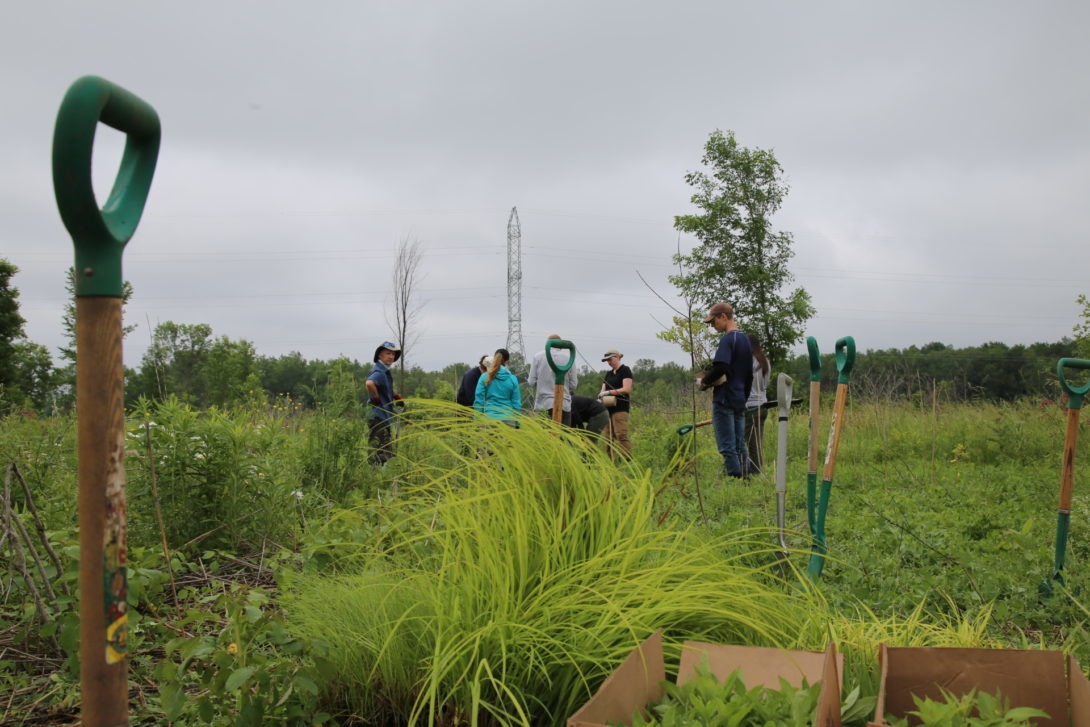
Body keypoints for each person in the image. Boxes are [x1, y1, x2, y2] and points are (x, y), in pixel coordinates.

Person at [699, 303, 752, 478]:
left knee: (726, 445)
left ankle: (734, 480)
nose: (712, 326)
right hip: (739, 399)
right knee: (739, 444)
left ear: (723, 316)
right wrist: (744, 398)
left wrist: (705, 382)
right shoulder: (745, 340)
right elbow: (749, 375)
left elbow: (722, 367)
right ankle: (745, 479)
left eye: (713, 322)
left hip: (724, 398)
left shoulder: (728, 339)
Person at [527, 334, 578, 425]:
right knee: (563, 437)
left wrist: (542, 384)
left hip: (543, 404)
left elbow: (531, 382)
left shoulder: (538, 356)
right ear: (561, 345)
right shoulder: (569, 358)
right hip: (564, 404)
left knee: (542, 436)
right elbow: (573, 384)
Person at [366, 340, 402, 465]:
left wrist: (395, 395)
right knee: (380, 451)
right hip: (378, 417)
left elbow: (384, 387)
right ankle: (374, 477)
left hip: (383, 417)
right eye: (388, 353)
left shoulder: (384, 371)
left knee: (386, 449)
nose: (391, 357)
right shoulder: (380, 371)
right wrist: (376, 398)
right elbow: (370, 383)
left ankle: (381, 476)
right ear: (380, 355)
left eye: (393, 354)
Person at [599, 349, 633, 460]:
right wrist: (600, 397)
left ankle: (628, 460)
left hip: (621, 408)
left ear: (618, 357)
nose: (609, 362)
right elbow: (602, 390)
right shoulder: (608, 374)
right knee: (608, 437)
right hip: (608, 408)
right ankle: (612, 462)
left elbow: (626, 389)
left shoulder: (625, 370)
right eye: (607, 360)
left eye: (610, 359)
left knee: (620, 435)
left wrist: (609, 392)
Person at [744, 333, 771, 476]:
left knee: (745, 444)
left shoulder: (747, 361)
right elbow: (766, 384)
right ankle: (755, 472)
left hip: (750, 407)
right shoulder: (764, 361)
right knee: (756, 442)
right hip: (762, 406)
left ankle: (753, 473)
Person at [474, 348, 522, 427]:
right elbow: (516, 403)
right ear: (507, 362)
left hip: (489, 419)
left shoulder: (484, 377)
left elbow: (479, 400)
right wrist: (517, 423)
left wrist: (477, 421)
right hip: (508, 420)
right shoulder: (512, 379)